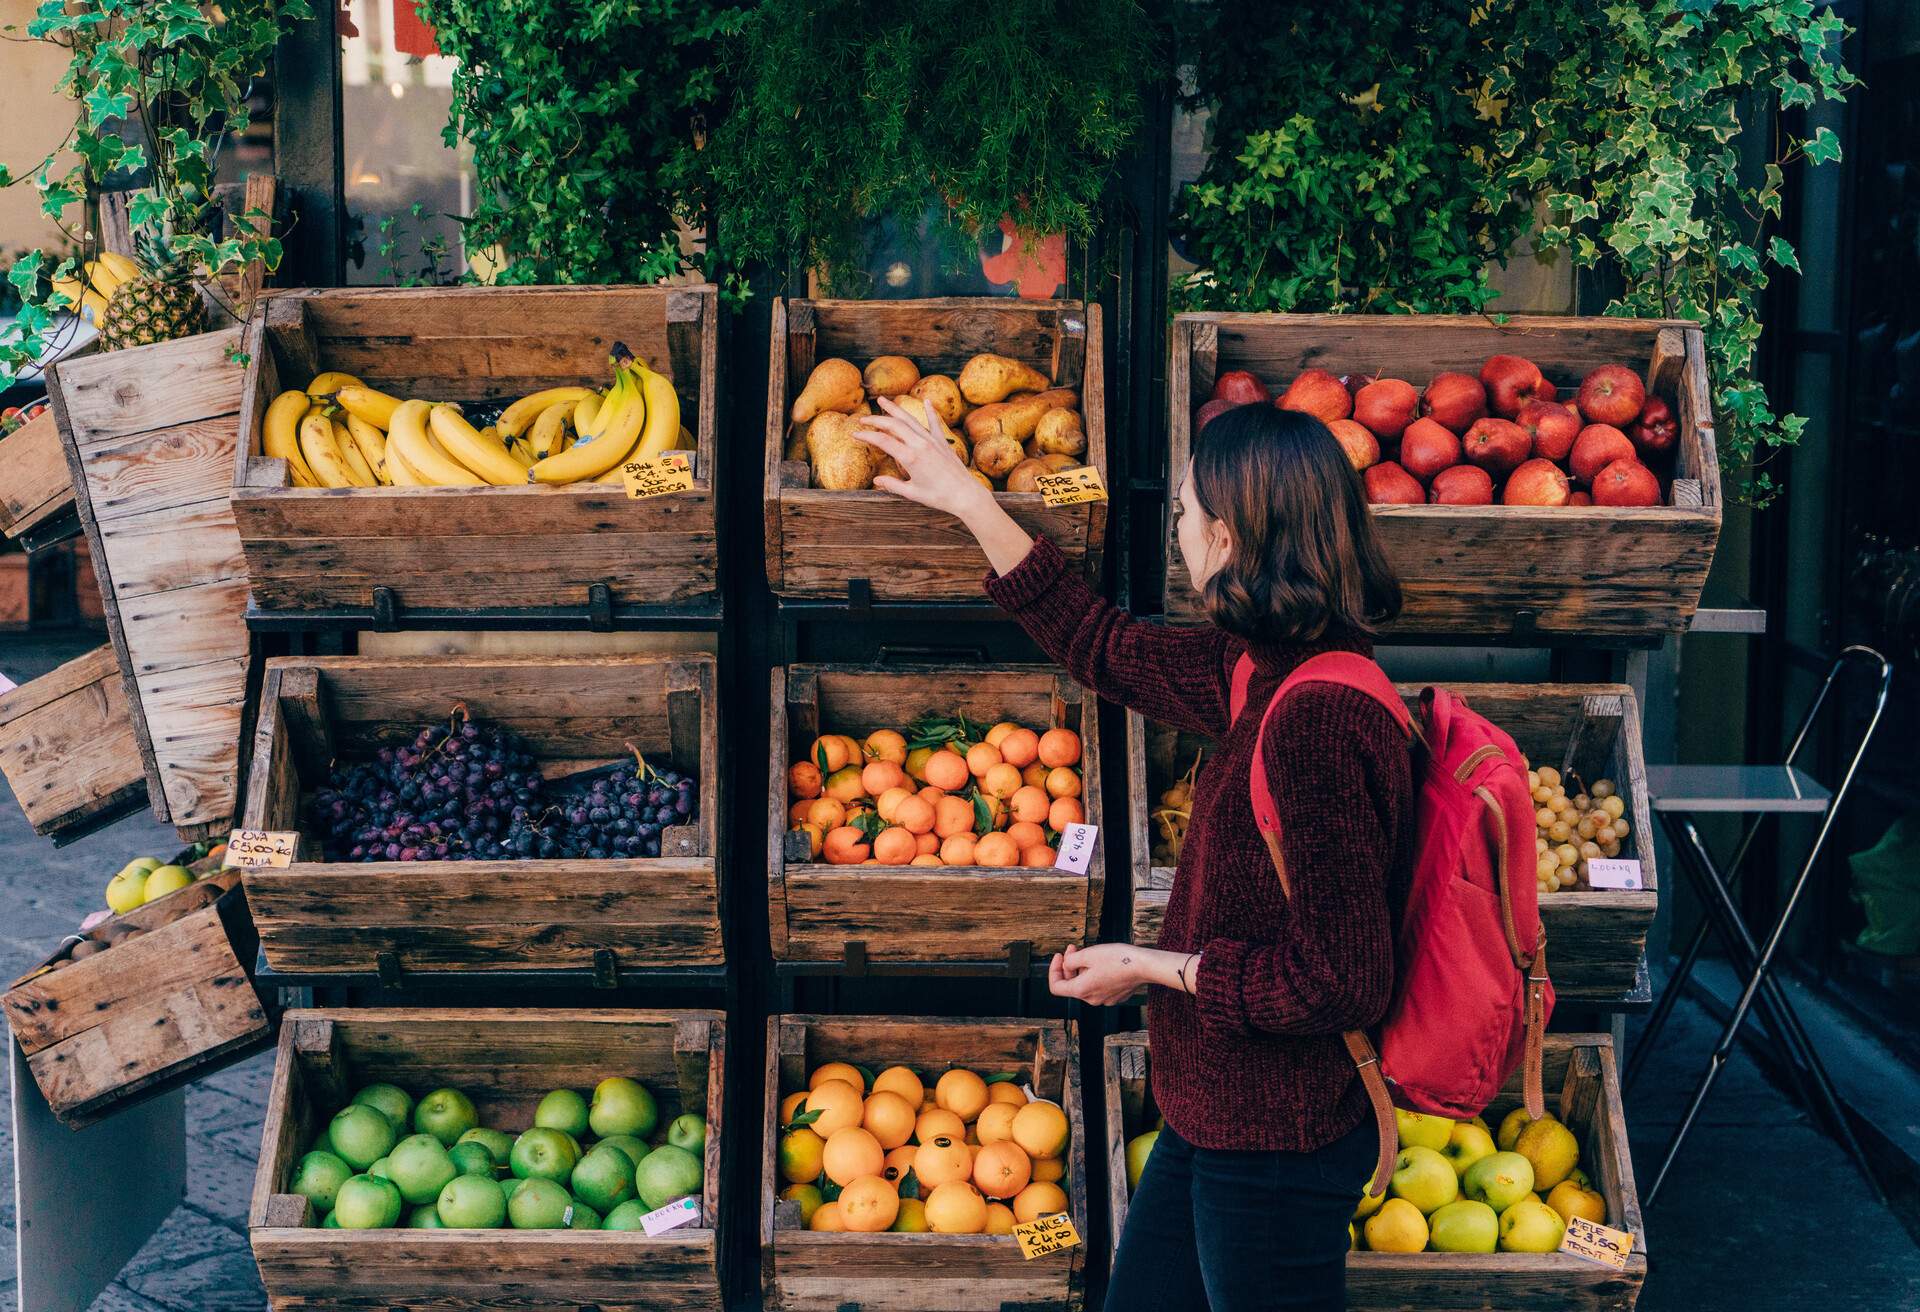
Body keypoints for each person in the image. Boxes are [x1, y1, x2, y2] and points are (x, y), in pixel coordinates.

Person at [855, 397, 1415, 1311]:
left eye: (1187, 515)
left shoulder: (1318, 717)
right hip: (1216, 1109)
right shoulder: (1258, 667)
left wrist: (1151, 967)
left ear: (1228, 540)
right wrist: (967, 500)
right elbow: (1101, 646)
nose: (1179, 533)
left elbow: (1341, 980)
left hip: (1279, 1141)